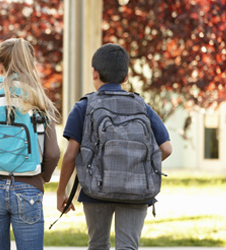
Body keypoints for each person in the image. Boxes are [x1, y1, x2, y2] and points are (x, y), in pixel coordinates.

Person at [55, 43, 173, 250]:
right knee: (128, 247)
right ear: (126, 77)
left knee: (98, 245)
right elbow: (167, 149)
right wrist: (137, 164)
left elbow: (70, 155)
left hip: (95, 189)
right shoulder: (142, 107)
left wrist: (61, 192)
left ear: (94, 73)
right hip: (137, 191)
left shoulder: (84, 107)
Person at [0, 38, 60, 250]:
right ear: (30, 63)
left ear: (0, 64)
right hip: (28, 187)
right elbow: (52, 154)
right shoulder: (39, 99)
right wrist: (40, 178)